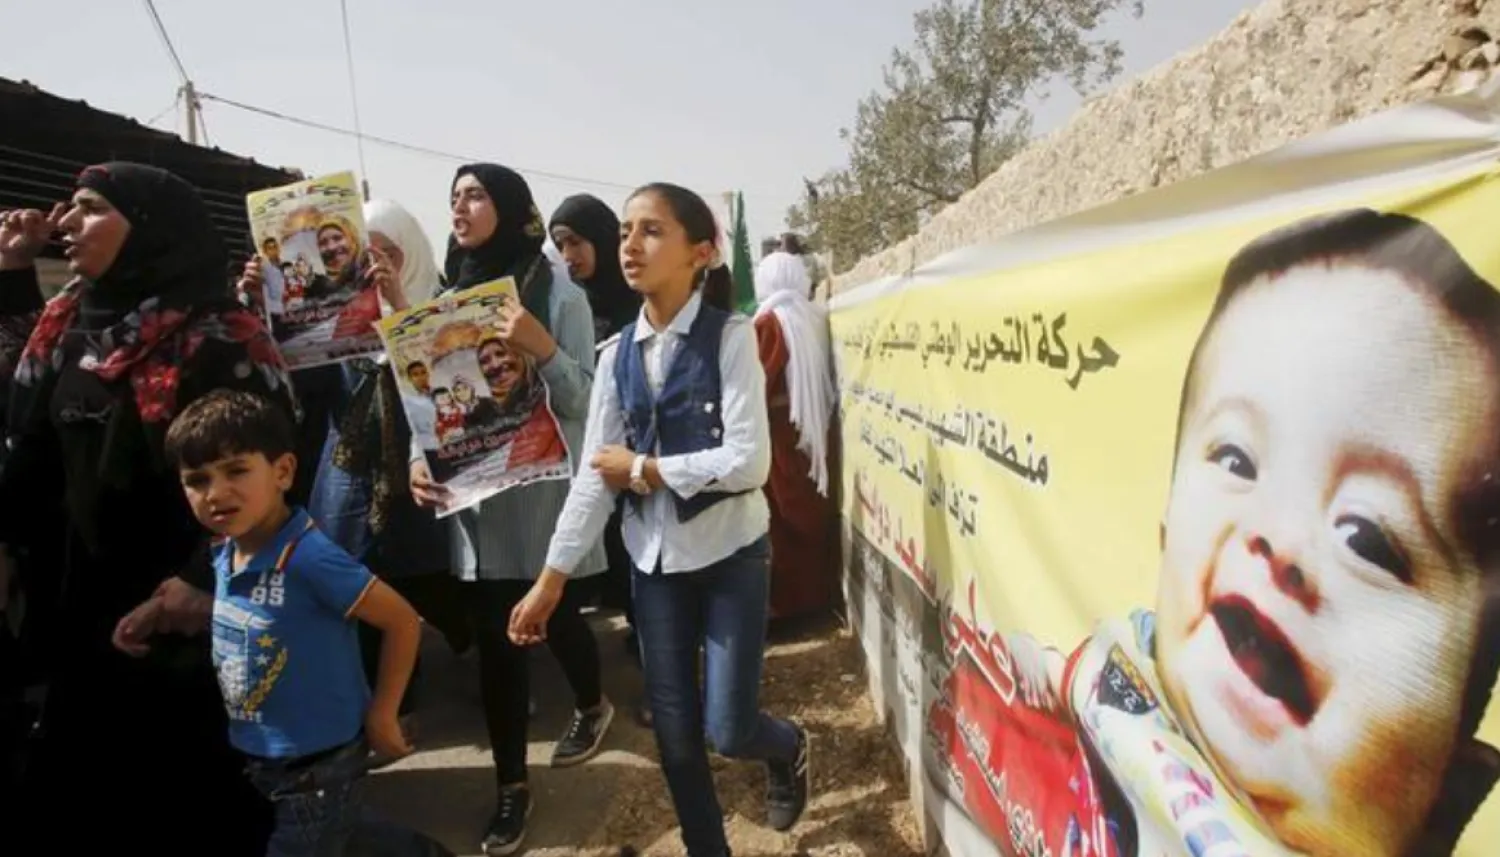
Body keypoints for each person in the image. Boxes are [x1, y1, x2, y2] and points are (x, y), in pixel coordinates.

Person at [966, 209, 1500, 856]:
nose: (1278, 543)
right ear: (1164, 544)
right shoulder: (1119, 676)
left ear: (1452, 795)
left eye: (1367, 538)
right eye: (1237, 461)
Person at [0, 163, 297, 854]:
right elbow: (32, 451)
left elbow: (272, 480)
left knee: (185, 803)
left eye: (91, 208)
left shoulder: (223, 341)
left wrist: (201, 576)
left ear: (151, 228)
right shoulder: (66, 325)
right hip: (78, 616)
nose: (67, 223)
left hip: (183, 626)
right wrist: (8, 545)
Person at [510, 182, 812, 857]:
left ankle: (787, 745)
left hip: (733, 553)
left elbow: (748, 462)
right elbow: (596, 478)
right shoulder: (616, 357)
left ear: (700, 251)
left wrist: (647, 470)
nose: (630, 245)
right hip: (654, 565)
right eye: (624, 231)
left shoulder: (732, 338)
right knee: (675, 737)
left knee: (727, 728)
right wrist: (550, 580)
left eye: (651, 231)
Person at [408, 164, 611, 857]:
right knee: (498, 642)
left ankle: (592, 703)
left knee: (550, 623)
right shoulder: (445, 299)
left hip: (541, 499)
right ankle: (511, 787)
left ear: (510, 206)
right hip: (477, 505)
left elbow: (585, 397)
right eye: (454, 196)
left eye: (474, 194)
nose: (459, 206)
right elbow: (427, 403)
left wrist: (538, 343)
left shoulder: (555, 292)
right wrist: (418, 462)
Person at [160, 389, 452, 857]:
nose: (216, 493)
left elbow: (401, 620)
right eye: (197, 480)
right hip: (263, 755)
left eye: (237, 470)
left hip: (318, 763)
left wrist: (383, 713)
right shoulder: (225, 549)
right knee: (347, 830)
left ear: (283, 472)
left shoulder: (309, 558)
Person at [549, 194, 646, 712]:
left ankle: (665, 681)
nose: (569, 255)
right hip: (590, 462)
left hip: (638, 460)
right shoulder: (569, 306)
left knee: (641, 572)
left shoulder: (641, 301)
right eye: (560, 244)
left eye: (577, 242)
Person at [752, 251, 839, 619]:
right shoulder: (814, 317)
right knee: (809, 513)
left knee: (783, 519)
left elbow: (758, 380)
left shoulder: (769, 323)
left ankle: (791, 605)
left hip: (780, 434)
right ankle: (816, 597)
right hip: (814, 429)